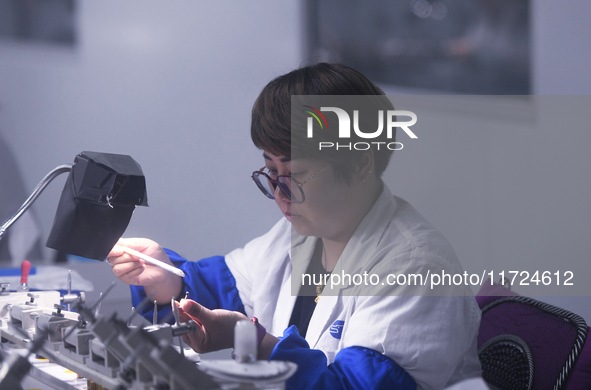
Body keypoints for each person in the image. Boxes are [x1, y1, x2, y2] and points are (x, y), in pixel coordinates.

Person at [107, 63, 482, 389]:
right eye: (271, 170)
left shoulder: (416, 267)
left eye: (295, 172)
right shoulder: (303, 236)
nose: (279, 192)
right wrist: (167, 280)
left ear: (362, 162)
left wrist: (254, 341)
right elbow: (228, 288)